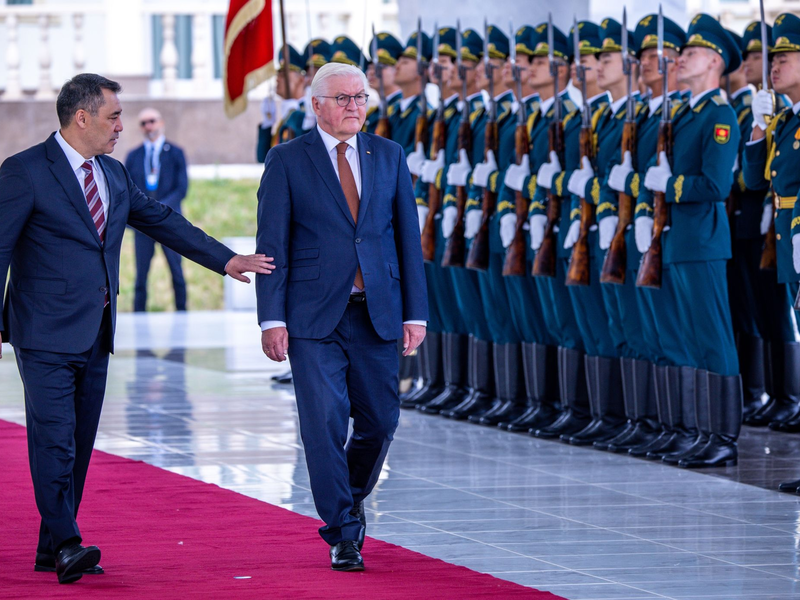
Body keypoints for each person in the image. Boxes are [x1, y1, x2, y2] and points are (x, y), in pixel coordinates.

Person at [0, 73, 273, 584]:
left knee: (78, 442)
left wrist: (226, 259)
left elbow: (163, 220)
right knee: (54, 438)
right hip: (42, 332)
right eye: (114, 116)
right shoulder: (23, 172)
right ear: (81, 117)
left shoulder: (113, 172)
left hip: (97, 330)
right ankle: (66, 542)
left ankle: (51, 544)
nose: (122, 125)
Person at [255, 62, 428, 571]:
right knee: (324, 423)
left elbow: (406, 239)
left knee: (379, 422)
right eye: (343, 98)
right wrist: (272, 319)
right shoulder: (287, 159)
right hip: (313, 318)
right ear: (316, 106)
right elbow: (273, 243)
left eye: (361, 97)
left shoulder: (388, 155)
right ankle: (344, 530)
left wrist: (414, 312)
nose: (354, 106)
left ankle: (346, 499)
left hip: (377, 311)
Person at [639, 14, 742, 468]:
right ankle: (695, 430)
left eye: (692, 53)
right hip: (678, 238)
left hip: (702, 239)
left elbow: (717, 185)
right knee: (682, 336)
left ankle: (722, 435)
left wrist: (671, 184)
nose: (681, 58)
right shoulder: (686, 113)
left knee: (712, 338)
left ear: (716, 62)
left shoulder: (719, 116)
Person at [125, 108, 189, 312]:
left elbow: (181, 188)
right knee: (140, 275)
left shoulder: (176, 152)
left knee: (177, 272)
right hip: (143, 224)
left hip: (169, 221)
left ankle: (182, 313)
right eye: (143, 123)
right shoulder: (134, 156)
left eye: (151, 121)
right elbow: (127, 190)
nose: (148, 126)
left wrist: (160, 209)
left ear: (161, 123)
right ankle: (138, 315)